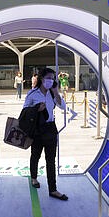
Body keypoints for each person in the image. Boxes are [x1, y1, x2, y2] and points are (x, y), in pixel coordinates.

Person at [23, 67, 68, 200]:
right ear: (42, 79)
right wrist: (36, 109)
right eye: (48, 78)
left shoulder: (52, 94)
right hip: (37, 129)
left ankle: (53, 189)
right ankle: (34, 178)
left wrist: (56, 92)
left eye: (52, 78)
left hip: (50, 128)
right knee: (35, 155)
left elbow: (63, 107)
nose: (50, 80)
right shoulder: (32, 94)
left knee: (51, 160)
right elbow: (25, 111)